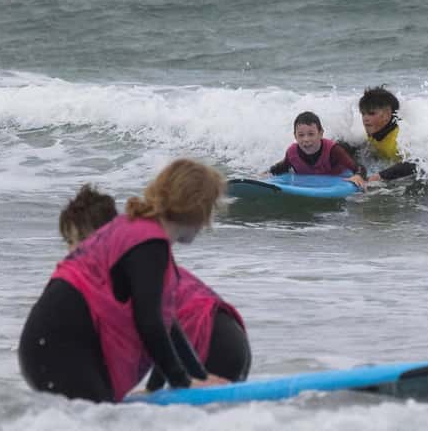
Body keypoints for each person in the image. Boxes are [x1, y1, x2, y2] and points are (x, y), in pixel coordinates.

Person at [19, 159, 228, 403]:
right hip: (60, 345)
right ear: (197, 206)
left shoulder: (138, 232)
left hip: (49, 343)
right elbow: (149, 322)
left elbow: (166, 323)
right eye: (210, 209)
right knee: (98, 422)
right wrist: (181, 380)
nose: (207, 222)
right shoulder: (148, 244)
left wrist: (197, 376)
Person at [56, 183, 251, 393]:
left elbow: (162, 327)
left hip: (211, 343)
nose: (71, 251)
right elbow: (163, 327)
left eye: (77, 240)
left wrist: (155, 387)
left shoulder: (118, 273)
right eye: (68, 242)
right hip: (229, 340)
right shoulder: (139, 258)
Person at [269, 111, 366, 188]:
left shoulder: (334, 151)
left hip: (346, 150)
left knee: (352, 148)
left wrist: (358, 176)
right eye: (301, 135)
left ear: (320, 133)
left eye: (311, 134)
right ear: (295, 136)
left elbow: (359, 168)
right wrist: (264, 174)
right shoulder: (292, 153)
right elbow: (281, 168)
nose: (306, 139)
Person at [358, 86, 416, 182]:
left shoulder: (402, 138)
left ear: (387, 115)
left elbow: (415, 163)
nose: (365, 118)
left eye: (371, 113)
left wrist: (380, 176)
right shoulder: (374, 130)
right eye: (363, 114)